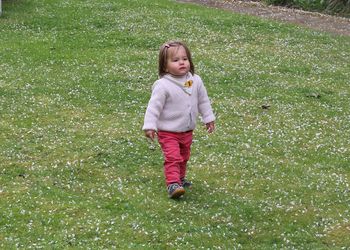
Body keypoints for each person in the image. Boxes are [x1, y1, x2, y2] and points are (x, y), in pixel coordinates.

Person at [142, 40, 215, 199]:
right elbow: (154, 107)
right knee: (173, 156)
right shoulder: (163, 85)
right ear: (164, 66)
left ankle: (180, 178)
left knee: (184, 156)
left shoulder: (196, 80)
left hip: (187, 130)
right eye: (175, 60)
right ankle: (173, 184)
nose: (181, 62)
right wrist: (150, 126)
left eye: (185, 59)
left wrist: (208, 118)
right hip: (168, 131)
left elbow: (203, 101)